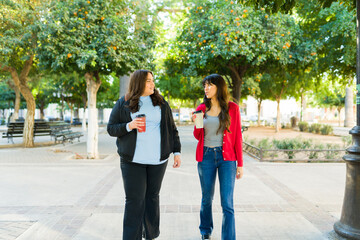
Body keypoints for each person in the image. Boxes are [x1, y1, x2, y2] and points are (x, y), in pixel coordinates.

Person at [107, 69, 181, 240]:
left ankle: (150, 235)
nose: (152, 84)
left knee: (152, 198)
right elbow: (111, 128)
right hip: (132, 161)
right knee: (134, 200)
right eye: (148, 81)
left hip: (158, 160)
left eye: (153, 80)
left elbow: (172, 129)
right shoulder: (123, 103)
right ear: (139, 82)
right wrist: (130, 125)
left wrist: (176, 152)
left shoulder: (161, 103)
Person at [193, 74, 244, 240]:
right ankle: (205, 230)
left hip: (227, 159)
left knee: (227, 203)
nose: (206, 88)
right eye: (205, 85)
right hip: (206, 156)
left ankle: (229, 237)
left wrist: (240, 164)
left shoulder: (233, 108)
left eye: (210, 85)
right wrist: (196, 123)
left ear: (219, 87)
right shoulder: (201, 108)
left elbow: (237, 137)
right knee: (206, 198)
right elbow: (197, 135)